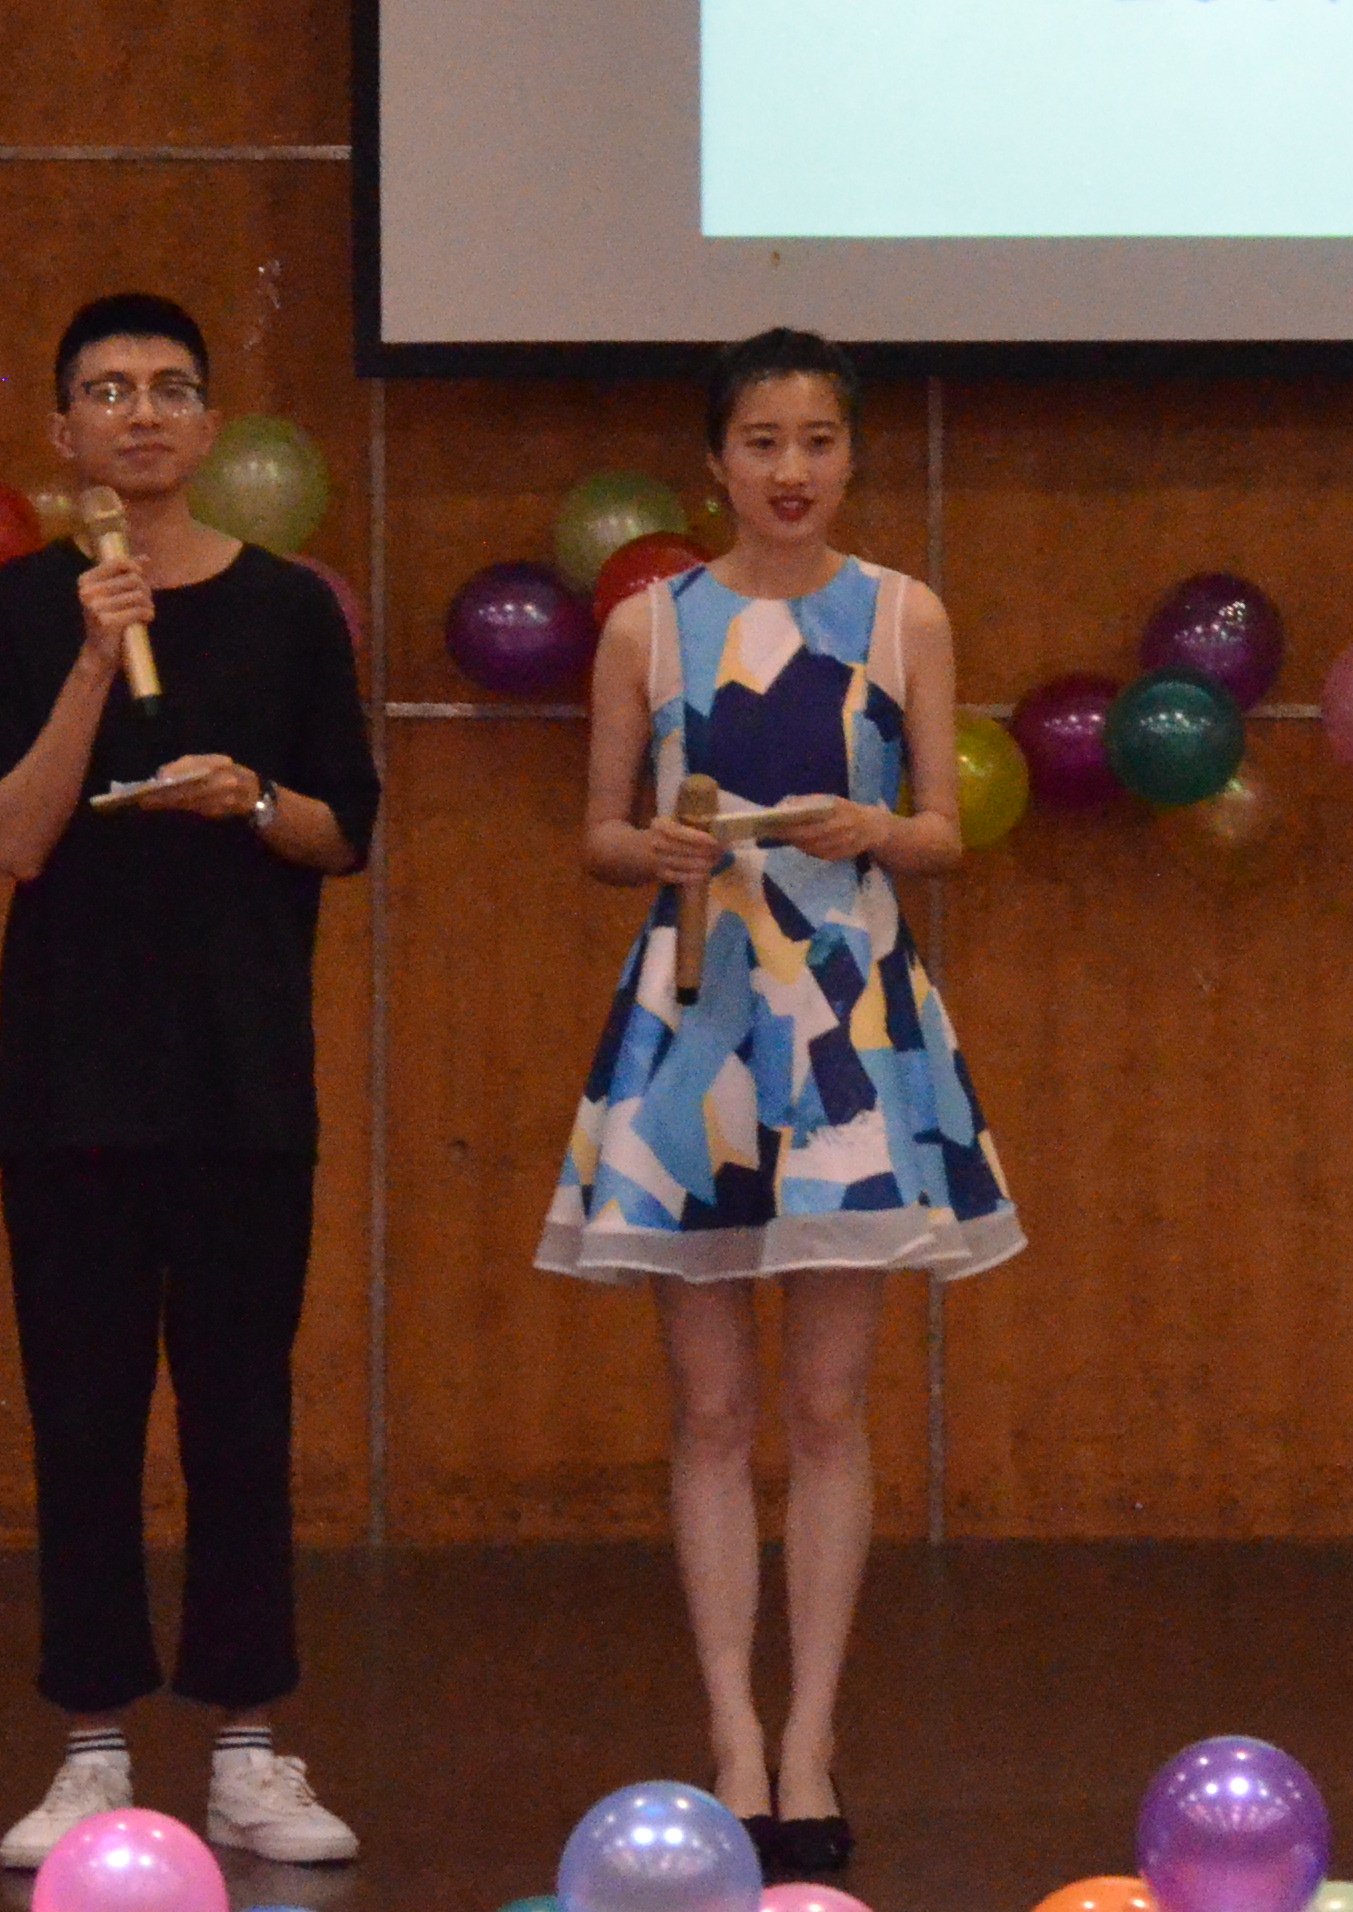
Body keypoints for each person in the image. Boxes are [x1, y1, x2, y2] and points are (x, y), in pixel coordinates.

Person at [539, 326, 1021, 1880]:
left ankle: (810, 1739)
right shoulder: (650, 626)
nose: (792, 470)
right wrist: (656, 850)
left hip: (845, 1019)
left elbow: (944, 829)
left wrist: (873, 828)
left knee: (825, 1405)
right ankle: (731, 1736)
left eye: (818, 440)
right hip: (697, 1022)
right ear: (716, 463)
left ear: (850, 455)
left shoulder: (902, 612)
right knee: (711, 1407)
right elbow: (601, 835)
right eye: (762, 442)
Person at [0, 292, 379, 1873]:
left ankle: (251, 1746)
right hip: (71, 1088)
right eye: (109, 390)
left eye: (170, 388)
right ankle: (92, 1748)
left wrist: (250, 796)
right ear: (64, 429)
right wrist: (88, 658)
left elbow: (342, 832)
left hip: (244, 1079)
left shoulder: (290, 611)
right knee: (84, 1419)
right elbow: (12, 836)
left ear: (209, 427)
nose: (140, 413)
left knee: (243, 1416)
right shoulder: (7, 614)